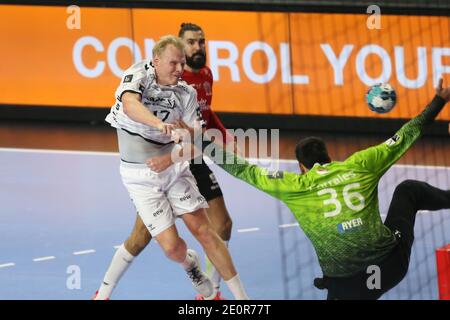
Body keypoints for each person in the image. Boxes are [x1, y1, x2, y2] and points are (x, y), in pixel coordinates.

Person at [190, 78, 450, 299]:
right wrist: (438, 101)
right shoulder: (361, 165)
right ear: (329, 157)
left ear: (301, 167)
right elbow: (406, 135)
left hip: (345, 286)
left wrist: (196, 139)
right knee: (407, 190)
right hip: (391, 268)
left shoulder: (296, 185)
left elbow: (242, 169)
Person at [94, 35, 248, 300]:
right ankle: (190, 264)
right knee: (171, 248)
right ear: (156, 61)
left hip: (174, 169)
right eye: (173, 63)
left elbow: (196, 144)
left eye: (182, 63)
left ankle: (241, 300)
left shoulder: (186, 93)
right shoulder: (137, 75)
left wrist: (171, 158)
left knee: (205, 232)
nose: (180, 69)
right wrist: (158, 125)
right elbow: (131, 105)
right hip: (139, 176)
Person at [138, 23, 236, 300]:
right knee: (144, 236)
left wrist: (226, 136)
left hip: (195, 157)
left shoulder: (206, 74)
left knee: (223, 225)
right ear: (180, 47)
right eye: (191, 42)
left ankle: (212, 292)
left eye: (201, 42)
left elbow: (207, 112)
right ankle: (105, 290)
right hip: (171, 162)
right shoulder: (170, 83)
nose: (198, 47)